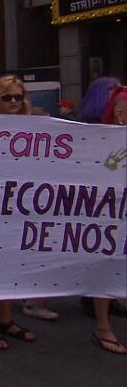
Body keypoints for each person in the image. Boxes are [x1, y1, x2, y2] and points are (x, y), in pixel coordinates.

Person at [0, 75, 48, 351]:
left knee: (10, 267)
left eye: (19, 97)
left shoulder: (33, 128)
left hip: (19, 208)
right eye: (8, 97)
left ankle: (6, 319)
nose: (15, 102)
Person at [87, 84, 127, 355]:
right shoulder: (102, 139)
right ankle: (103, 324)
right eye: (121, 108)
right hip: (111, 211)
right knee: (107, 262)